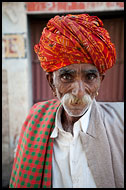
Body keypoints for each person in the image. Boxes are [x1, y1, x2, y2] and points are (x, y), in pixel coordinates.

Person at [9, 14, 124, 188]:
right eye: (66, 76)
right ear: (51, 82)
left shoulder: (120, 123)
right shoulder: (34, 123)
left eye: (90, 77)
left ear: (101, 80)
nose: (78, 92)